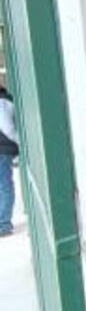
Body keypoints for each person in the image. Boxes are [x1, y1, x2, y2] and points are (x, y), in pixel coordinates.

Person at [0, 80, 17, 237]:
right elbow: (8, 128)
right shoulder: (2, 101)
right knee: (5, 186)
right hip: (2, 150)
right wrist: (20, 141)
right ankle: (3, 224)